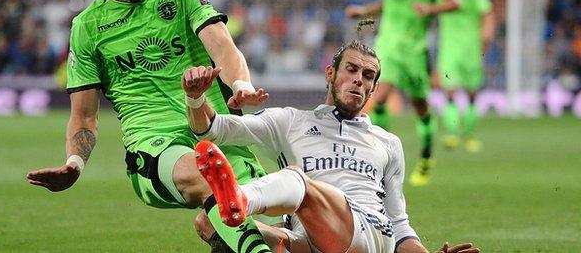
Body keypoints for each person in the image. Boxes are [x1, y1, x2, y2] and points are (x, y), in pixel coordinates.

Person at [25, 0, 275, 252]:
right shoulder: (88, 27)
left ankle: (212, 226)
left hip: (219, 132)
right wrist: (74, 163)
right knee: (211, 180)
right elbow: (84, 116)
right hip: (155, 147)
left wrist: (242, 85)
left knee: (280, 218)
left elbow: (223, 48)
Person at [183, 40, 479, 253]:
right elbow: (211, 129)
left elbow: (400, 226)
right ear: (330, 74)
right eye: (351, 70)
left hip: (369, 235)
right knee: (209, 221)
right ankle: (234, 207)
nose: (358, 81)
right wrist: (196, 99)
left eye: (368, 76)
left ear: (374, 89)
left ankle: (239, 199)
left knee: (297, 179)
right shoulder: (290, 121)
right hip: (308, 240)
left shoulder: (387, 142)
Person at [344, 0, 460, 186]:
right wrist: (363, 11)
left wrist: (430, 9)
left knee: (420, 106)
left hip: (415, 50)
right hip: (388, 46)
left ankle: (427, 156)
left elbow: (454, 2)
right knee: (379, 97)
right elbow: (390, 2)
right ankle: (382, 159)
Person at [436, 0, 495, 152]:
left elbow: (487, 13)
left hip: (472, 49)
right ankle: (452, 134)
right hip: (450, 49)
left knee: (471, 94)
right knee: (450, 92)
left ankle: (469, 135)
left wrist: (487, 34)